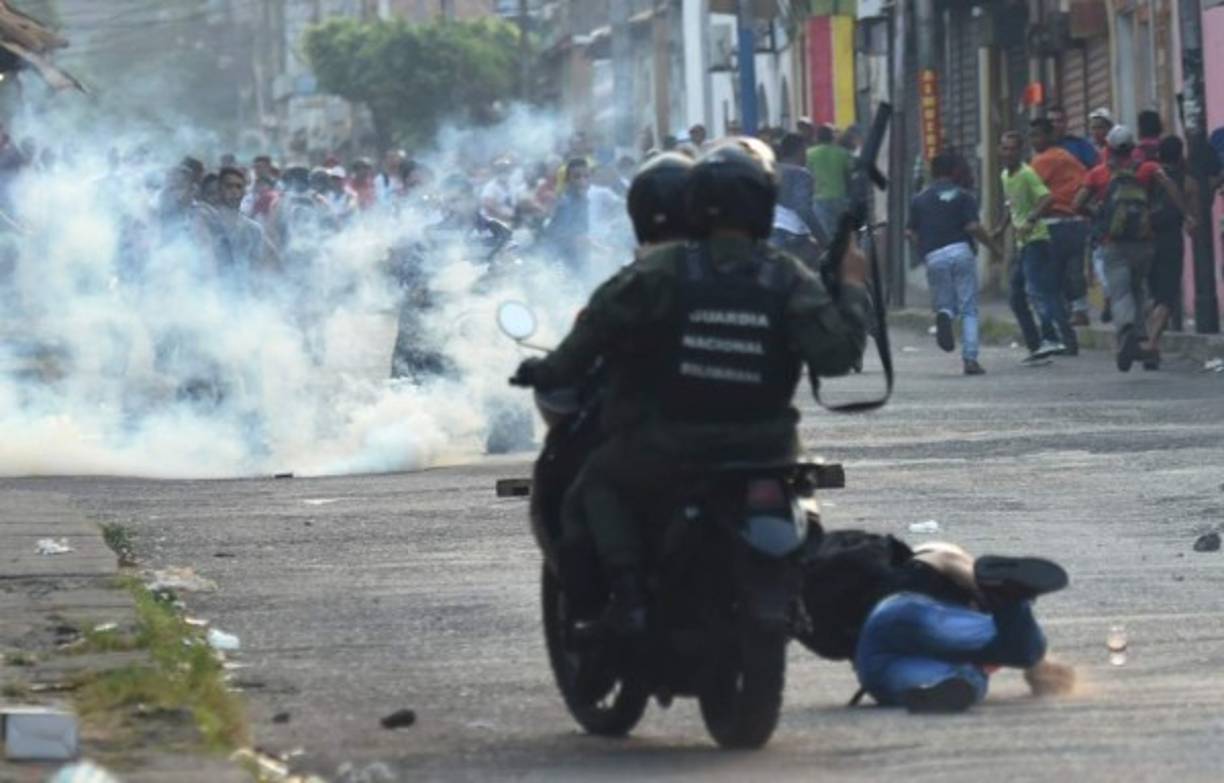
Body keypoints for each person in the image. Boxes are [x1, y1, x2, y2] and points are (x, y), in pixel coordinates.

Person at [511, 139, 870, 635]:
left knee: (594, 484)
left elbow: (591, 336)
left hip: (673, 442)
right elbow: (837, 355)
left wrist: (545, 370)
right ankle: (799, 593)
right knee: (800, 493)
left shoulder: (663, 271)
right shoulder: (783, 273)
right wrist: (850, 284)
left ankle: (628, 595)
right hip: (768, 446)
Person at [853, 541, 1073, 712]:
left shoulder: (886, 572)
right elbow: (949, 559)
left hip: (882, 649)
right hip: (918, 615)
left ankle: (933, 689)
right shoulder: (937, 555)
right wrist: (1040, 663)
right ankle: (1011, 599)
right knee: (1023, 653)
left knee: (953, 681)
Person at [1072, 125, 1193, 371]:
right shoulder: (1147, 168)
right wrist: (1187, 214)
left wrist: (1096, 214)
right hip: (1144, 242)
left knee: (1121, 292)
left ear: (1109, 148)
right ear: (1133, 148)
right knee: (1138, 289)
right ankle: (1140, 337)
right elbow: (1170, 186)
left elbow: (1076, 204)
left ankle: (1127, 329)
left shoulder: (1098, 174)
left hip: (1113, 243)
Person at [906, 151, 1000, 375]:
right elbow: (972, 227)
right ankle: (970, 359)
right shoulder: (964, 196)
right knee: (969, 308)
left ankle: (945, 315)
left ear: (932, 172)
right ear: (954, 172)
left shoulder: (919, 199)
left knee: (945, 303)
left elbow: (909, 232)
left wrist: (923, 249)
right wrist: (994, 247)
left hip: (934, 255)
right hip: (961, 251)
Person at [994, 131, 1075, 365]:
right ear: (1000, 151)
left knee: (1036, 291)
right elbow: (1011, 205)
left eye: (1013, 149)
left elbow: (1047, 198)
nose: (1008, 153)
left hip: (1037, 240)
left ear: (1020, 151)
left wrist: (1031, 219)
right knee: (1017, 297)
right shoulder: (1005, 175)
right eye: (1005, 148)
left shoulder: (1027, 174)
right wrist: (1000, 228)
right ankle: (1037, 345)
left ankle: (1051, 338)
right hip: (1023, 242)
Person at [1030, 117, 1090, 331]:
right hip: (1076, 221)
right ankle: (1079, 310)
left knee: (1052, 273)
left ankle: (1060, 316)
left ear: (1049, 136)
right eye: (1031, 136)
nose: (1034, 141)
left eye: (1037, 135)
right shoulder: (1068, 157)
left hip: (1053, 222)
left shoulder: (1042, 161)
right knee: (1074, 268)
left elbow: (1028, 192)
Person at [1145, 136, 1198, 364]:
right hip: (1170, 241)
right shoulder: (1188, 182)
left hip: (1145, 239)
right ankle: (1152, 344)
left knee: (1152, 293)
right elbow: (1193, 224)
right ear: (1180, 155)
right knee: (1166, 295)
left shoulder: (1148, 176)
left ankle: (1149, 342)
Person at [771, 131, 826, 268]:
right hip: (793, 236)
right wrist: (823, 239)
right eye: (805, 151)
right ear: (800, 151)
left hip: (770, 234)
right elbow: (803, 208)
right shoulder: (801, 174)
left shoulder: (770, 170)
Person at [540, 157, 593, 275]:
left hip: (574, 260)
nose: (582, 180)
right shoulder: (566, 202)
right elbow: (568, 236)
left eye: (586, 176)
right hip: (559, 262)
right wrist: (599, 248)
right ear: (568, 180)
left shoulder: (583, 200)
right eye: (577, 176)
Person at [806, 124, 854, 238]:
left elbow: (807, 176)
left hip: (819, 197)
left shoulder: (809, 153)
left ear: (817, 138)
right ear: (832, 137)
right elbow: (849, 176)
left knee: (823, 233)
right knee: (840, 232)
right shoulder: (843, 153)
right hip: (840, 197)